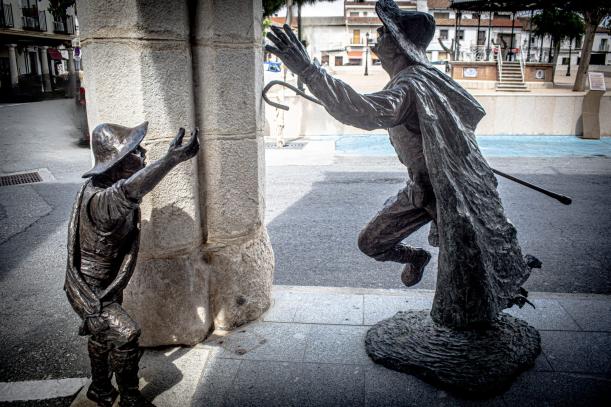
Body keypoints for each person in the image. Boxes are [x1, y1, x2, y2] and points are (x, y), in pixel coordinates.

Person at [265, 0, 534, 329]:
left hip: (448, 195)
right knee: (371, 242)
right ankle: (417, 257)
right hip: (422, 188)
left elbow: (365, 111)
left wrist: (309, 70)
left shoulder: (411, 84)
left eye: (383, 32)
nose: (376, 37)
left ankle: (466, 335)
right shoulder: (420, 79)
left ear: (398, 44)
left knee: (467, 284)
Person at [65, 122, 199, 406]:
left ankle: (100, 389)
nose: (144, 151)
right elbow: (130, 191)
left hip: (108, 282)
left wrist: (166, 159)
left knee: (102, 334)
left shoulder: (101, 186)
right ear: (118, 162)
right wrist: (170, 160)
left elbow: (129, 189)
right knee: (127, 334)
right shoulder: (102, 201)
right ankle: (129, 397)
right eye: (136, 150)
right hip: (92, 290)